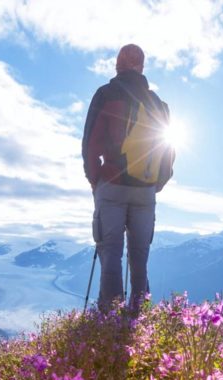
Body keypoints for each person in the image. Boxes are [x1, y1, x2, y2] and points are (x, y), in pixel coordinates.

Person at [82, 44, 175, 313]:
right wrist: (154, 184)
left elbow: (91, 144)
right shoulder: (159, 104)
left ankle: (110, 321)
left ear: (117, 65)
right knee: (139, 258)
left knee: (110, 254)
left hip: (111, 185)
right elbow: (168, 153)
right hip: (145, 190)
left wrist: (96, 180)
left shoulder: (106, 94)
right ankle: (140, 322)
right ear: (142, 67)